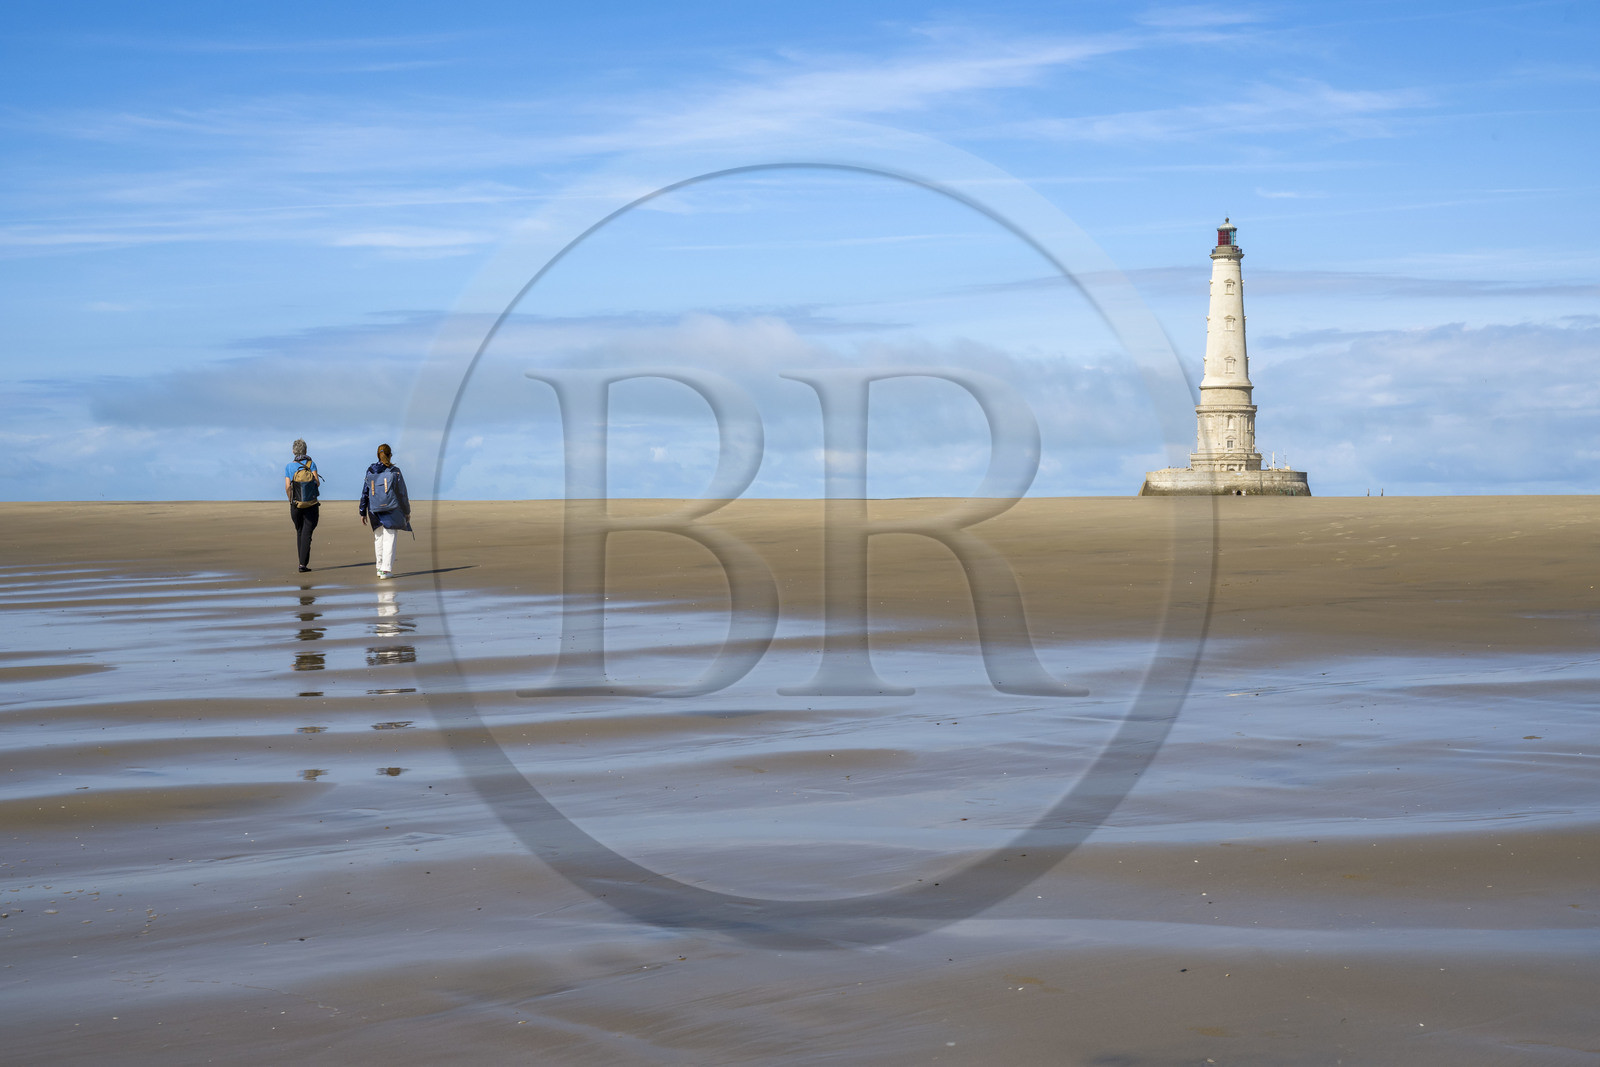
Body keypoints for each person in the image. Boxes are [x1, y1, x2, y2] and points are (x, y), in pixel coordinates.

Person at [359, 443, 411, 579]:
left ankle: (379, 568)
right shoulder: (395, 471)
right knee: (390, 538)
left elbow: (365, 491)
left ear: (378, 455)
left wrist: (362, 511)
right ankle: (386, 570)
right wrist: (407, 511)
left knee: (378, 538)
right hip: (391, 508)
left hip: (374, 509)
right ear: (390, 455)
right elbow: (402, 493)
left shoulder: (371, 470)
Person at [284, 439, 323, 572]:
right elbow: (317, 482)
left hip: (295, 505)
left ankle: (301, 562)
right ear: (306, 451)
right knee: (307, 533)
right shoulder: (311, 464)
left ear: (293, 451)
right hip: (311, 504)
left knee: (300, 532)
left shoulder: (289, 467)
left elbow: (288, 487)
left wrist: (292, 501)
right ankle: (302, 564)